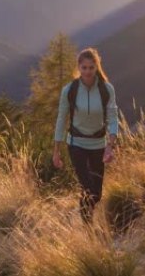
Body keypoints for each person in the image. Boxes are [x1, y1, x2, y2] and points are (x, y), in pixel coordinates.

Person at [52, 47, 118, 223]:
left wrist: (110, 147)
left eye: (91, 67)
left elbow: (112, 118)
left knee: (97, 194)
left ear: (97, 67)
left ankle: (83, 214)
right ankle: (87, 228)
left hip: (98, 144)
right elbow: (61, 118)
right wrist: (56, 150)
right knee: (88, 188)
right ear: (78, 68)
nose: (88, 71)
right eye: (84, 68)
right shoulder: (70, 90)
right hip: (76, 144)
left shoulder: (106, 89)